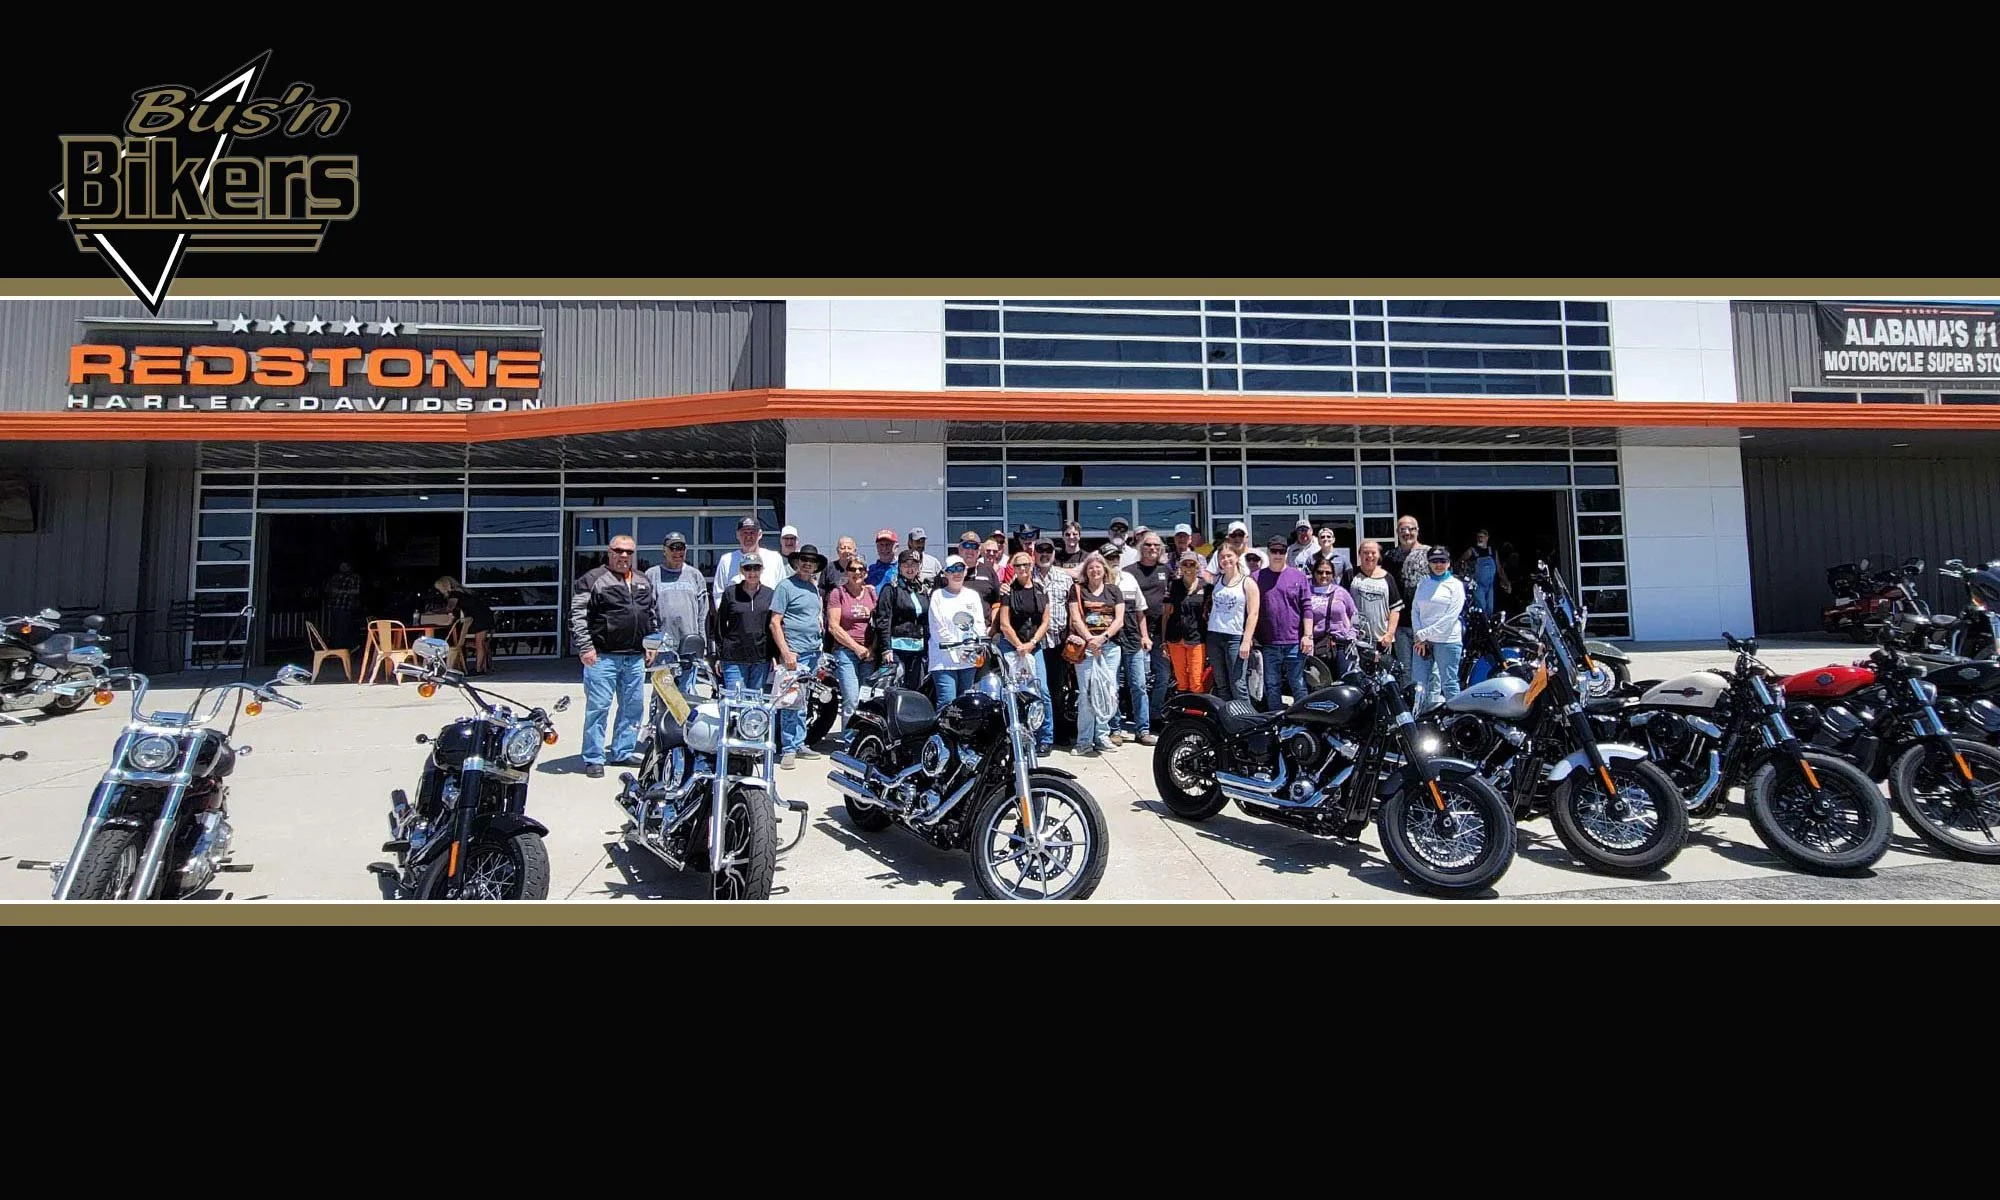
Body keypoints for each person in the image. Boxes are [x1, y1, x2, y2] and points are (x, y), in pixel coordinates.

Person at [569, 534, 660, 779]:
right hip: (602, 657)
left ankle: (622, 751)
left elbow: (651, 614)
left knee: (633, 707)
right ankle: (593, 757)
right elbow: (578, 616)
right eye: (619, 551)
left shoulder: (642, 580)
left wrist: (652, 644)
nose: (624, 556)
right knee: (598, 708)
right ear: (609, 552)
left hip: (635, 657)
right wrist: (585, 647)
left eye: (629, 552)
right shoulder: (592, 579)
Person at [770, 543, 828, 768]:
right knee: (789, 701)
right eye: (804, 560)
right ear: (796, 562)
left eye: (811, 561)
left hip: (812, 653)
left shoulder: (813, 587)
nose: (807, 564)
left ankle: (800, 743)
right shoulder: (785, 586)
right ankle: (788, 749)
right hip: (794, 653)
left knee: (803, 702)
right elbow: (775, 622)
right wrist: (785, 652)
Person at [998, 547, 1055, 755]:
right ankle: (1018, 736)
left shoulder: (1040, 589)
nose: (1022, 568)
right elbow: (1004, 624)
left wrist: (1031, 643)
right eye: (1018, 565)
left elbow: (1045, 621)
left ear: (1031, 566)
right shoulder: (1008, 591)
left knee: (1041, 690)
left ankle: (1045, 737)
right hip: (1011, 646)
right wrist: (1018, 645)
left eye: (1025, 564)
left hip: (1034, 646)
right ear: (1013, 568)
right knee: (1015, 692)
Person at [1067, 552, 1126, 755]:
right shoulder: (1077, 590)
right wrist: (1091, 640)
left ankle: (1102, 736)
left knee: (1107, 691)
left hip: (1110, 647)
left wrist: (1103, 638)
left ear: (1104, 569)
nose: (1095, 570)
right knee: (1086, 693)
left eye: (1098, 567)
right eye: (1091, 567)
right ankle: (1084, 740)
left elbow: (1119, 620)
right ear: (1086, 571)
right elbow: (1076, 618)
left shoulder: (1114, 590)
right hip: (1086, 647)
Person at [1252, 535, 1313, 711]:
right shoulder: (1256, 577)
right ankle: (1276, 721)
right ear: (1268, 552)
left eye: (1282, 551)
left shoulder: (1299, 576)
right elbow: (1250, 610)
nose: (1278, 555)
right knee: (1272, 686)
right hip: (1269, 642)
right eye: (1274, 551)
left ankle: (1303, 721)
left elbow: (1307, 607)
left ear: (1286, 553)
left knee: (1298, 684)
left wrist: (1308, 636)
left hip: (1295, 642)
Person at [644, 530, 709, 693]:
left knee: (687, 694)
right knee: (663, 693)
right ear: (664, 550)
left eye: (681, 548)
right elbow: (645, 613)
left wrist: (702, 644)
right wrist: (650, 644)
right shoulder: (652, 575)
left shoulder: (695, 575)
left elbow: (703, 613)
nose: (677, 552)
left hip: (689, 647)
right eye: (672, 548)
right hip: (662, 648)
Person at [1123, 530, 1172, 742]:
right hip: (1135, 633)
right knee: (1138, 681)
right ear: (1140, 547)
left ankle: (1154, 714)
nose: (1152, 548)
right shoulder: (1129, 571)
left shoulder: (1166, 571)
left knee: (1163, 676)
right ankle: (1137, 718)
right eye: (1148, 545)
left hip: (1161, 633)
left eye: (1156, 545)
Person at [825, 552, 877, 745]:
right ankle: (849, 743)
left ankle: (864, 741)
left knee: (866, 700)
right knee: (852, 699)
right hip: (846, 652)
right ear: (846, 572)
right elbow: (833, 627)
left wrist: (872, 648)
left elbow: (879, 623)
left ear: (866, 572)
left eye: (860, 569)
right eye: (852, 569)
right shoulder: (838, 594)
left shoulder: (871, 593)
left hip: (868, 653)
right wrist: (856, 647)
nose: (856, 572)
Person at [1032, 537, 1078, 748]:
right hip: (1034, 642)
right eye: (1040, 550)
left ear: (1053, 554)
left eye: (1048, 551)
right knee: (1038, 690)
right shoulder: (1026, 575)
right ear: (1034, 553)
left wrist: (1072, 634)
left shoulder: (1064, 578)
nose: (1044, 554)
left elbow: (1072, 610)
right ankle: (1039, 732)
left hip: (1058, 641)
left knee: (1058, 689)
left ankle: (1058, 731)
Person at [1411, 545, 1467, 712]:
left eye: (1442, 561)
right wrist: (1419, 636)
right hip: (1423, 642)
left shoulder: (1455, 585)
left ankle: (1456, 717)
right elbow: (1415, 610)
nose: (1439, 565)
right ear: (1429, 563)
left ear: (1449, 563)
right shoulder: (1423, 583)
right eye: (1434, 561)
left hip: (1447, 641)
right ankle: (1419, 717)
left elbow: (1451, 617)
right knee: (1419, 684)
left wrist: (1423, 634)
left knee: (1449, 682)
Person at [715, 553, 777, 703]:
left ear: (762, 569)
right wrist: (719, 655)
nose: (752, 572)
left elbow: (773, 626)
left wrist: (775, 655)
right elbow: (720, 625)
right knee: (735, 704)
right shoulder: (730, 593)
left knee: (755, 706)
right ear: (742, 570)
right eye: (748, 568)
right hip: (733, 657)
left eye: (756, 568)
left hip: (761, 658)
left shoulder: (770, 594)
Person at [927, 558, 987, 705]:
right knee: (947, 701)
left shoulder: (972, 595)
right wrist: (958, 650)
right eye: (952, 570)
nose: (957, 573)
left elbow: (979, 624)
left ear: (965, 571)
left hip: (969, 659)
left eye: (960, 569)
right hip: (944, 660)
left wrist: (973, 648)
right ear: (945, 574)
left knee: (966, 702)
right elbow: (937, 628)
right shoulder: (938, 596)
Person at [1205, 545, 1259, 701]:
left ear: (1237, 557)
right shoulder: (1217, 580)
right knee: (1221, 684)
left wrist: (1246, 640)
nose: (1226, 560)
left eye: (1229, 556)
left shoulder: (1247, 582)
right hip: (1214, 636)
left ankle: (1246, 715)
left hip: (1235, 637)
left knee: (1237, 684)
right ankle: (1227, 714)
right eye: (1222, 557)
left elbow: (1253, 613)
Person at [1112, 545, 1153, 743]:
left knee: (1139, 685)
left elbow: (1140, 611)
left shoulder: (1129, 579)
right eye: (1109, 558)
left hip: (1133, 639)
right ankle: (1115, 730)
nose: (1113, 561)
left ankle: (1143, 730)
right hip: (1111, 641)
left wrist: (1145, 636)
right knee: (1112, 687)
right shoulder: (1099, 580)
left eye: (1115, 557)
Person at [1382, 515, 1430, 676]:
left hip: (1425, 623)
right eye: (1403, 529)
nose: (1407, 533)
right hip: (1400, 624)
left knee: (1427, 668)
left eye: (1411, 529)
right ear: (1397, 532)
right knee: (1405, 669)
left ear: (1418, 531)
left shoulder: (1429, 553)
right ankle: (1408, 694)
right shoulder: (1390, 556)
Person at [1345, 539, 1404, 665]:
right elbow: (1341, 605)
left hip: (1381, 640)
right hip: (1356, 639)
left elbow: (1395, 609)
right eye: (1365, 553)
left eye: (1373, 552)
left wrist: (1390, 634)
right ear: (1359, 555)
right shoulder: (1350, 575)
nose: (1369, 556)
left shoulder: (1387, 577)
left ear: (1379, 555)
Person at [1161, 549, 1210, 694]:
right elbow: (1166, 615)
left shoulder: (1206, 587)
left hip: (1197, 638)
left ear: (1198, 567)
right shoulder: (1173, 585)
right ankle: (1183, 707)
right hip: (1175, 638)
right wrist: (1163, 641)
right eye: (1185, 564)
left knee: (1196, 681)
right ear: (1180, 567)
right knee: (1181, 681)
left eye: (1192, 564)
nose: (1188, 568)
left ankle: (1197, 707)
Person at [1305, 552, 1359, 679]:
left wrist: (1352, 634)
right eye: (1320, 572)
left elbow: (1355, 615)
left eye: (1328, 573)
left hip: (1341, 644)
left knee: (1345, 681)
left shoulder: (1341, 592)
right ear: (1314, 573)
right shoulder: (1307, 593)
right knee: (1320, 684)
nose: (1324, 575)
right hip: (1317, 645)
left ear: (1333, 575)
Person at [713, 517, 786, 600]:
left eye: (752, 533)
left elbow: (782, 592)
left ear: (760, 534)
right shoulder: (726, 560)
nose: (748, 537)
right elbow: (719, 593)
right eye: (744, 533)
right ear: (737, 535)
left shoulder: (774, 558)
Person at [447, 580, 496, 673]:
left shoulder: (454, 594)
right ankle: (480, 668)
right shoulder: (464, 592)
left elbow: (449, 608)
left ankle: (478, 669)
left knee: (479, 643)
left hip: (480, 617)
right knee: (480, 643)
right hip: (484, 615)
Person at [1458, 528, 1509, 617]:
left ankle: (1488, 624)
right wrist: (1464, 573)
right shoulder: (1472, 551)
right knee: (1481, 608)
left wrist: (1505, 581)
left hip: (1490, 586)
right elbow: (1459, 563)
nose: (1479, 539)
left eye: (1482, 537)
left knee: (1490, 609)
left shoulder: (1493, 551)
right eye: (1478, 537)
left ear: (1487, 538)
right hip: (1478, 585)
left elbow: (1499, 568)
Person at [324, 561, 362, 650]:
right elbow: (328, 588)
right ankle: (338, 647)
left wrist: (341, 591)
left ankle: (345, 647)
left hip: (346, 606)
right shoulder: (336, 577)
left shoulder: (354, 577)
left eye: (345, 566)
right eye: (341, 566)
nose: (343, 568)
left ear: (349, 567)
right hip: (335, 606)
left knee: (343, 627)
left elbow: (356, 591)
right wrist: (331, 591)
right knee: (335, 628)